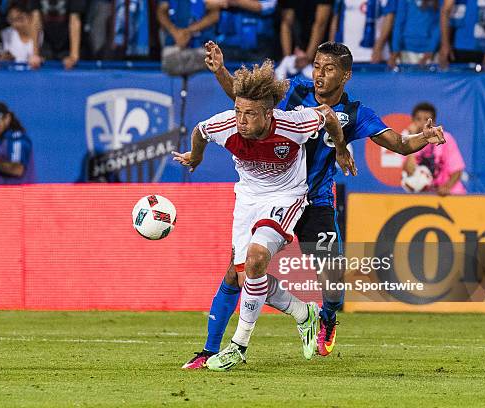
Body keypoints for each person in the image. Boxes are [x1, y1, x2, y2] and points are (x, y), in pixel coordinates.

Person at [188, 40, 446, 368]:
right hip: (275, 196)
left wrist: (425, 137)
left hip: (316, 201)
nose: (319, 74)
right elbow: (249, 105)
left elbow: (398, 143)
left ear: (346, 75)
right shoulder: (295, 90)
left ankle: (325, 316)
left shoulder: (356, 114)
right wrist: (221, 71)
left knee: (332, 279)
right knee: (237, 272)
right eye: (317, 66)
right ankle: (210, 349)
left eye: (329, 69)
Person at [173, 60, 355, 371]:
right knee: (242, 276)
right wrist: (196, 156)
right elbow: (199, 132)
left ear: (268, 114)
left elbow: (326, 115)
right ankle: (303, 313)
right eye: (239, 112)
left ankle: (238, 346)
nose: (241, 120)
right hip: (247, 200)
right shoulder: (226, 124)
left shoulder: (293, 123)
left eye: (250, 114)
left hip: (287, 198)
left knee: (257, 257)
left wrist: (340, 147)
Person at [403, 102, 466, 195]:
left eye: (426, 120)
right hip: (423, 196)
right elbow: (409, 171)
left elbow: (457, 170)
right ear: (412, 121)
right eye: (418, 119)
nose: (422, 124)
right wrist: (411, 139)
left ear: (434, 123)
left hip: (449, 194)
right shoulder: (408, 140)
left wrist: (446, 187)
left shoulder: (445, 138)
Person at [276, 0, 333, 79]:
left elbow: (321, 23)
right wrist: (287, 60)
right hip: (295, 52)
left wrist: (308, 58)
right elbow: (286, 22)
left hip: (319, 53)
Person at [388, 0, 440, 67]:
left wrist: (431, 50)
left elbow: (438, 25)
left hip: (430, 52)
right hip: (407, 50)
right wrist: (395, 50)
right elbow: (399, 23)